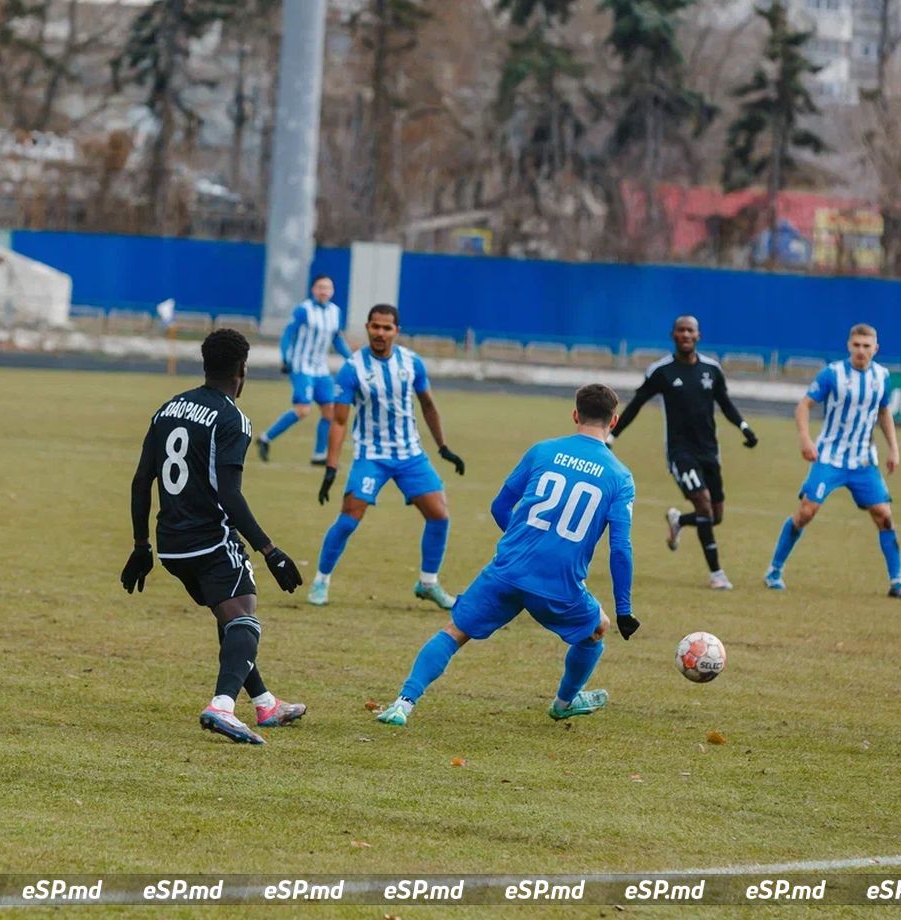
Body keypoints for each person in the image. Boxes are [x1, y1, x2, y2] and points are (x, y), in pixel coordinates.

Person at [375, 384, 638, 726]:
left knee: (454, 631)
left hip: (508, 570)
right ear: (614, 421)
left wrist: (524, 542)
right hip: (559, 584)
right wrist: (625, 609)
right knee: (597, 628)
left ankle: (402, 704)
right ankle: (563, 702)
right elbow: (620, 548)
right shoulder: (620, 476)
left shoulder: (542, 451)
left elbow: (500, 506)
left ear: (575, 415)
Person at [121, 328, 307, 745]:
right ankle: (222, 706)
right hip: (210, 539)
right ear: (243, 370)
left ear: (206, 364)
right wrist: (270, 550)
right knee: (245, 618)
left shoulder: (168, 408)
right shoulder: (231, 419)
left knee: (229, 615)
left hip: (170, 544)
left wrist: (140, 546)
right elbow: (229, 494)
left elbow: (140, 480)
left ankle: (265, 703)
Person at [309, 304, 465, 610]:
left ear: (397, 331)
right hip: (372, 455)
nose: (380, 333)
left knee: (439, 515)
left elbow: (428, 406)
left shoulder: (411, 363)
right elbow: (339, 421)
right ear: (367, 327)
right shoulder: (352, 368)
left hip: (410, 454)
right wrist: (331, 466)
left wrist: (443, 447)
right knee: (349, 519)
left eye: (387, 327)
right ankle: (320, 581)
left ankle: (428, 583)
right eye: (375, 326)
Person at [764, 324, 901, 599]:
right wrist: (806, 439)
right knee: (806, 511)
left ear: (875, 349)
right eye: (856, 345)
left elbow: (884, 411)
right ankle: (774, 570)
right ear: (849, 346)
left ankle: (897, 582)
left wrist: (894, 449)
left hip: (864, 461)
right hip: (830, 456)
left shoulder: (883, 377)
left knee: (884, 516)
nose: (861, 350)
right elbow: (803, 406)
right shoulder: (833, 373)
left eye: (867, 346)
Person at [609, 316, 757, 590]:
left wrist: (744, 427)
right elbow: (636, 405)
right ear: (673, 335)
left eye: (690, 330)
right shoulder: (662, 371)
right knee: (702, 503)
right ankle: (717, 574)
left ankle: (678, 520)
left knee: (715, 515)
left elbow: (725, 403)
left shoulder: (711, 369)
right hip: (680, 452)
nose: (685, 334)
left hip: (710, 452)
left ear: (698, 335)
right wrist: (611, 436)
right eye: (681, 330)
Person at [256, 275, 351, 465]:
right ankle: (266, 438)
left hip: (321, 368)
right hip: (301, 366)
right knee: (303, 410)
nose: (324, 291)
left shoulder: (335, 312)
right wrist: (286, 358)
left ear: (332, 291)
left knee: (330, 411)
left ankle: (319, 455)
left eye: (327, 287)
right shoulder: (304, 310)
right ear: (313, 289)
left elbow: (337, 339)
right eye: (320, 287)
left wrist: (351, 359)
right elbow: (288, 334)